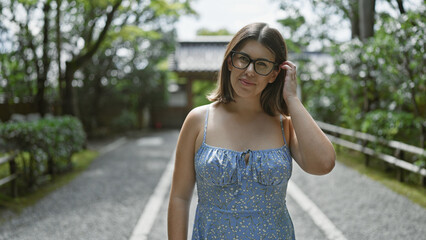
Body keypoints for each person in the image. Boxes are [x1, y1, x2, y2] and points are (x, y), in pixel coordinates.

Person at [167, 22, 335, 240]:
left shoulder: (284, 125)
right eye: (243, 59)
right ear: (230, 61)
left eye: (262, 64)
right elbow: (180, 198)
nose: (249, 71)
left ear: (274, 74)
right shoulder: (199, 121)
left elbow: (324, 164)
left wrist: (292, 99)